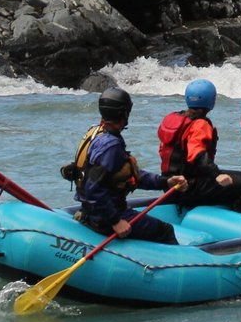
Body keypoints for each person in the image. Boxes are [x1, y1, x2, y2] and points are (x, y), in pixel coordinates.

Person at [64, 87, 187, 244]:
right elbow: (93, 189)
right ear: (124, 113)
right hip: (105, 218)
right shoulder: (111, 146)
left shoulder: (96, 133)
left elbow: (126, 176)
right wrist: (116, 221)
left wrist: (165, 182)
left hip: (91, 212)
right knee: (165, 231)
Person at [158, 78, 241, 215]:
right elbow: (196, 155)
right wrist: (216, 175)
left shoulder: (174, 118)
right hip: (188, 188)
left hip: (172, 185)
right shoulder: (200, 124)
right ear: (211, 101)